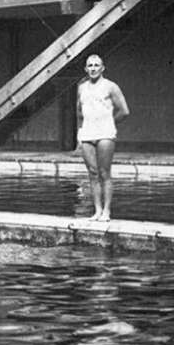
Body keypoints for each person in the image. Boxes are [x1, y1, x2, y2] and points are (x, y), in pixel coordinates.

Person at [76, 54, 129, 221]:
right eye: (90, 65)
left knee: (104, 172)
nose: (93, 68)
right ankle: (97, 211)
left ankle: (106, 211)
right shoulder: (81, 88)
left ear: (102, 68)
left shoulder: (110, 86)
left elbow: (124, 111)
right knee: (92, 173)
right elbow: (79, 111)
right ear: (86, 69)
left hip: (105, 133)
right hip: (88, 133)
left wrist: (108, 122)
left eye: (96, 65)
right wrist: (81, 130)